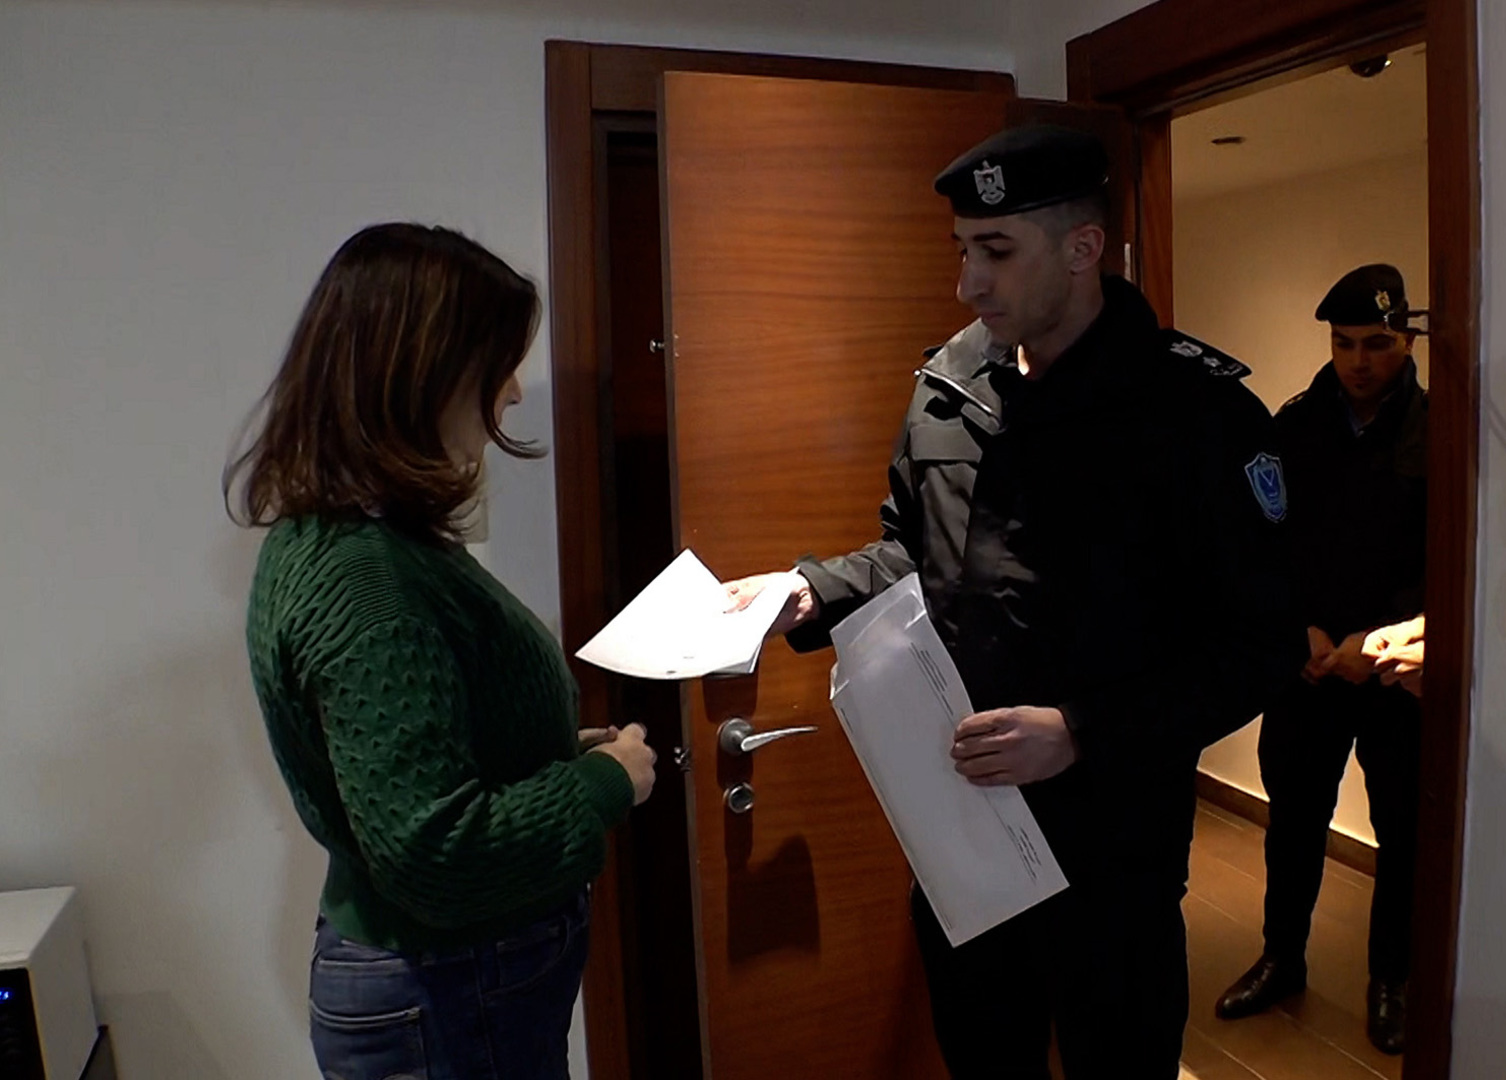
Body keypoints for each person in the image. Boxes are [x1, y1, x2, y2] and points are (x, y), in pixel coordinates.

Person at [723, 126, 1294, 1079]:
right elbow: (915, 553)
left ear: (1082, 248)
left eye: (996, 250)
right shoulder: (949, 387)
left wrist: (1081, 730)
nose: (968, 284)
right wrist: (810, 588)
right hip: (963, 825)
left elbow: (1258, 645)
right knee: (984, 1058)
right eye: (962, 250)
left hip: (1113, 841)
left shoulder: (1195, 414)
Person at [225, 223, 658, 1080]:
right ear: (423, 373)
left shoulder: (352, 537)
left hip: (455, 990)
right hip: (451, 996)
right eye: (497, 365)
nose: (515, 392)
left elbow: (415, 756)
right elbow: (435, 854)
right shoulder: (368, 582)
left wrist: (541, 753)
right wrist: (606, 783)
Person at [1214, 264, 1428, 1056]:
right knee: (1294, 821)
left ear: (1407, 343)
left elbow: (1448, 555)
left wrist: (1383, 640)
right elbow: (1264, 542)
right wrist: (1297, 628)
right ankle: (1282, 958)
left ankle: (1392, 980)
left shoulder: (1438, 431)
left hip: (1396, 671)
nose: (1359, 361)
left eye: (1377, 344)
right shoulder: (1294, 425)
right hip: (1306, 667)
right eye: (1344, 344)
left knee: (1403, 829)